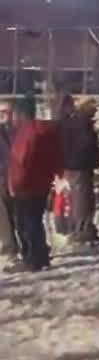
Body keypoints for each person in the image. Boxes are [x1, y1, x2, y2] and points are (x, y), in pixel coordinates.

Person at [7, 97, 63, 271]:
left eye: (13, 114)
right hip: (41, 183)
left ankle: (32, 259)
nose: (12, 118)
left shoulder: (26, 134)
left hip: (26, 186)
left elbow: (20, 163)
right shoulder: (44, 131)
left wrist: (13, 185)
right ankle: (40, 256)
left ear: (21, 114)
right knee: (35, 221)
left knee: (26, 223)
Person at [59, 97, 99, 244]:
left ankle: (81, 228)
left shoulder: (76, 121)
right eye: (94, 107)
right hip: (80, 166)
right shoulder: (82, 123)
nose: (96, 110)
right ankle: (82, 230)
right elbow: (85, 146)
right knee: (82, 200)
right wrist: (94, 159)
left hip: (75, 165)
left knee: (79, 199)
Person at [0, 100, 17, 260]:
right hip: (2, 177)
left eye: (7, 112)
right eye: (2, 112)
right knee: (4, 214)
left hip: (18, 176)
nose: (4, 116)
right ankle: (9, 246)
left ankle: (14, 245)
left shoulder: (17, 131)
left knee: (18, 213)